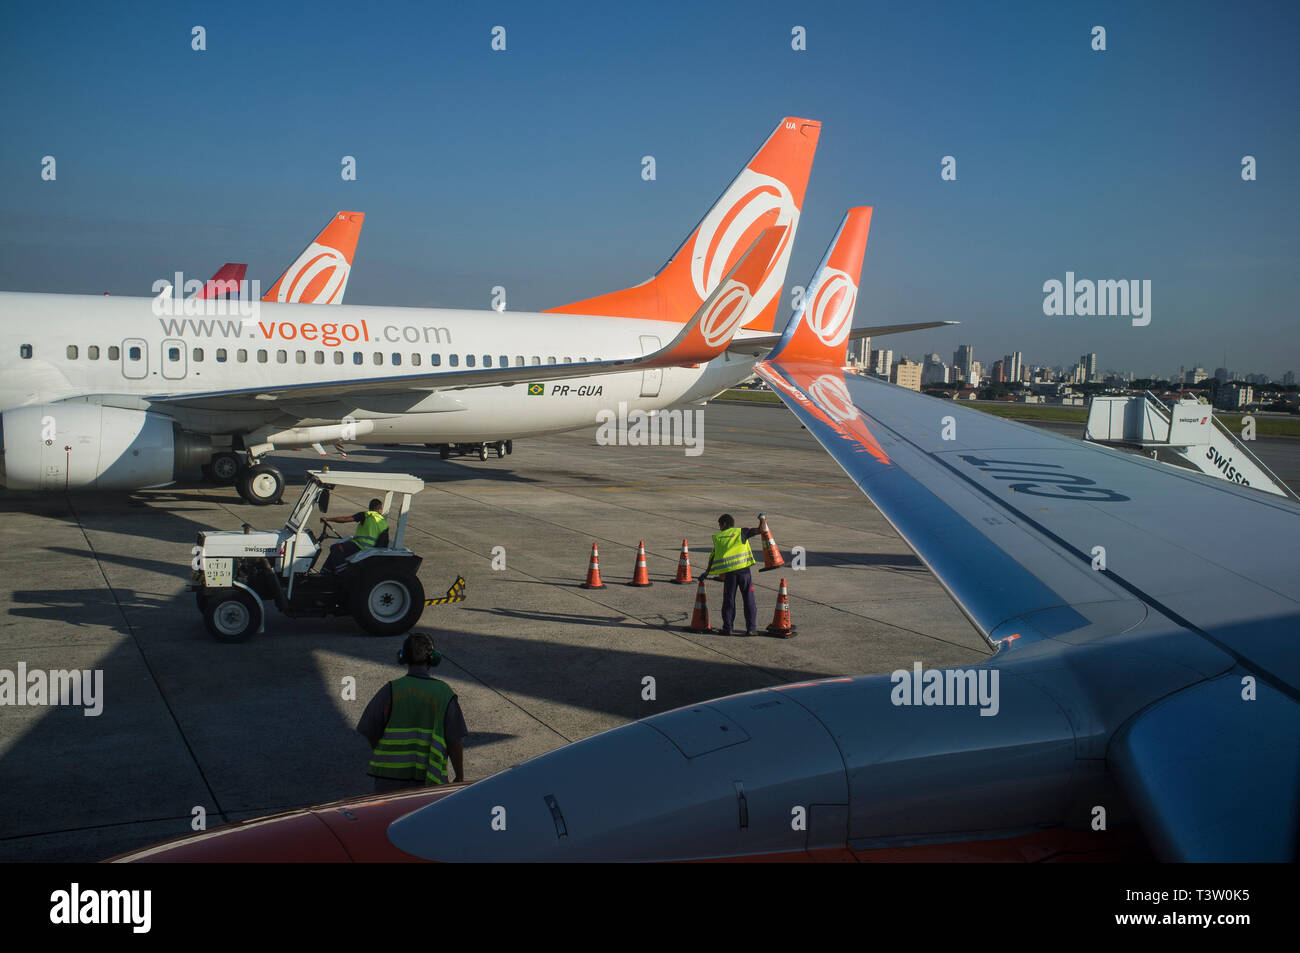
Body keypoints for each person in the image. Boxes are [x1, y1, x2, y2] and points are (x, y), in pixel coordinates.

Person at [356, 632, 467, 792]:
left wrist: (383, 752)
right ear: (433, 659)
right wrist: (459, 777)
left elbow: (368, 728)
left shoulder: (391, 690)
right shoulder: (443, 693)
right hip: (430, 780)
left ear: (403, 658)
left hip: (389, 781)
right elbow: (454, 741)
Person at [701, 513, 760, 636]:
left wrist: (706, 572)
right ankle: (751, 629)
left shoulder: (719, 537)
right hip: (745, 572)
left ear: (724, 524)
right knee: (749, 600)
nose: (719, 528)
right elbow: (761, 530)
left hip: (730, 574)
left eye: (719, 525)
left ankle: (728, 628)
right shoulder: (742, 532)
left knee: (729, 601)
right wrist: (762, 519)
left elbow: (713, 556)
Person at [321, 497, 388, 572]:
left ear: (370, 507)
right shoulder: (384, 522)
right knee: (335, 553)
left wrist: (328, 519)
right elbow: (385, 542)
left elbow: (345, 519)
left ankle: (342, 573)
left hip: (360, 547)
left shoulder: (366, 515)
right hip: (371, 550)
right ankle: (325, 572)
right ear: (380, 509)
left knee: (335, 548)